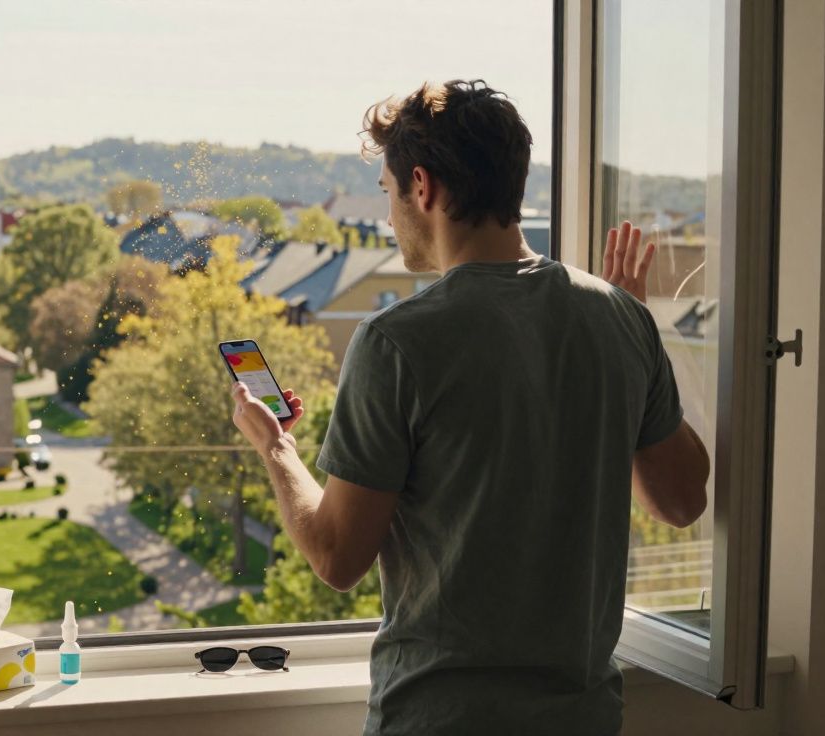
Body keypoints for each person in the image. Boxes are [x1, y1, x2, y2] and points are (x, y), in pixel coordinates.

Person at [228, 80, 711, 735]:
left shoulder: (397, 340)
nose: (390, 214)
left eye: (387, 193)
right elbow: (682, 501)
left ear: (421, 188)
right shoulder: (618, 316)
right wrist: (629, 340)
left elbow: (338, 557)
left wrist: (275, 448)